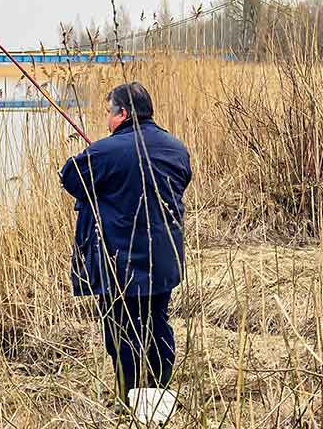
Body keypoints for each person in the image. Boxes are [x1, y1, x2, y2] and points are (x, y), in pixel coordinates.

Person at [59, 82, 192, 406]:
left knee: (121, 331)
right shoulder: (176, 147)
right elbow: (182, 179)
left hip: (120, 263)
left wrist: (102, 158)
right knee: (157, 322)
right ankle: (158, 391)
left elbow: (70, 177)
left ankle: (129, 396)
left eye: (108, 112)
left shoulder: (106, 150)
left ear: (123, 113)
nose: (106, 119)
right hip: (164, 259)